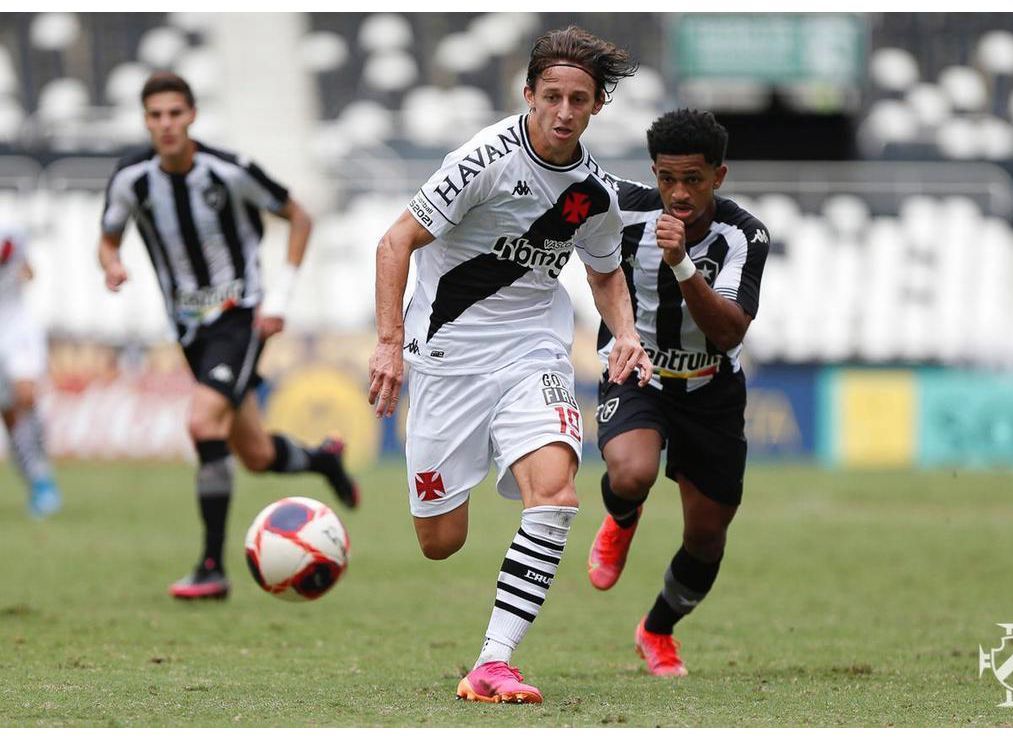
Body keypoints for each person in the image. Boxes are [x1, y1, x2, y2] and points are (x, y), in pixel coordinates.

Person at [368, 26, 651, 704]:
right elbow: (395, 241)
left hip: (533, 350)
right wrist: (386, 341)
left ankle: (494, 662)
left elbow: (604, 270)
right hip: (446, 359)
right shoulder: (484, 161)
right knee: (440, 541)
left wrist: (626, 334)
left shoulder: (590, 195)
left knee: (555, 492)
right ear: (528, 94)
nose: (562, 111)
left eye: (577, 99)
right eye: (550, 95)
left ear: (596, 107)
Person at [98, 72, 359, 601]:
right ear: (146, 121)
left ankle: (212, 567)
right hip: (189, 330)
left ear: (191, 115)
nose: (166, 124)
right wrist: (112, 265)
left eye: (175, 113)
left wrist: (280, 299)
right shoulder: (131, 180)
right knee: (256, 454)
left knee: (201, 421)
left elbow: (299, 216)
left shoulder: (228, 171)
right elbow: (107, 239)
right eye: (156, 116)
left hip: (241, 318)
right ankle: (323, 458)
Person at [586, 109, 769, 677]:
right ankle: (622, 513)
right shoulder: (626, 206)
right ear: (654, 173)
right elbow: (566, 182)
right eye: (667, 179)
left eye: (693, 179)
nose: (679, 193)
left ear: (720, 175)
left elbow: (729, 330)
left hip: (712, 390)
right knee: (630, 473)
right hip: (638, 369)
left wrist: (681, 261)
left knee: (707, 538)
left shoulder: (744, 234)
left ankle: (657, 630)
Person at [0, 225, 62, 518]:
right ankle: (36, 480)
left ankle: (43, 477)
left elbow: (30, 272)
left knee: (25, 397)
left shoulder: (12, 235)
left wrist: (22, 273)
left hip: (17, 327)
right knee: (9, 413)